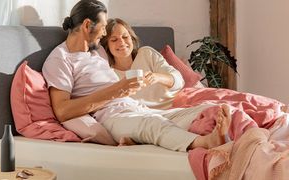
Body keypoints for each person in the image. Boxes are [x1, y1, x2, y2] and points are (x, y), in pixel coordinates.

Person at [42, 0, 230, 151]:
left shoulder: (97, 51)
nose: (105, 33)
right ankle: (203, 143)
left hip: (135, 107)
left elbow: (123, 52)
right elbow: (63, 111)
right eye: (104, 27)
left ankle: (232, 137)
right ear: (86, 25)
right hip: (111, 117)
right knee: (153, 124)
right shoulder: (60, 60)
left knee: (205, 109)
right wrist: (117, 90)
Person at [100, 18, 288, 129]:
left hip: (181, 96)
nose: (121, 42)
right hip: (167, 112)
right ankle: (265, 121)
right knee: (219, 108)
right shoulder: (107, 74)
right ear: (107, 45)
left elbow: (177, 80)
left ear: (132, 38)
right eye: (114, 39)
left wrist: (156, 77)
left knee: (228, 96)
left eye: (125, 37)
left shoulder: (146, 53)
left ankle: (279, 112)